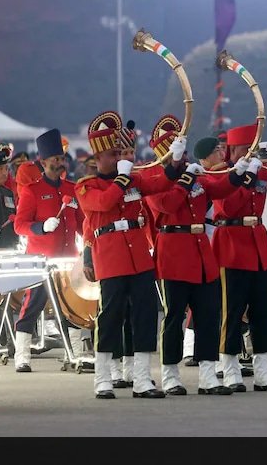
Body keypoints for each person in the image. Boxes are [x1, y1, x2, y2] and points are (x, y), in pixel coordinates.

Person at [75, 111, 182, 400]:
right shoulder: (86, 185)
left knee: (146, 315)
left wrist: (175, 161)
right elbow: (105, 201)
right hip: (110, 258)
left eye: (122, 153)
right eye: (114, 154)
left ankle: (142, 378)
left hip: (139, 257)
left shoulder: (134, 180)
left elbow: (160, 183)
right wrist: (122, 177)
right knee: (110, 317)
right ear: (99, 158)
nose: (121, 157)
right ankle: (103, 378)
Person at [209, 123, 267, 393]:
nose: (251, 152)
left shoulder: (260, 170)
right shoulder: (223, 173)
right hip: (231, 243)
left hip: (258, 245)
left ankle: (264, 370)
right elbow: (227, 206)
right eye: (245, 148)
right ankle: (229, 369)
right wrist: (246, 178)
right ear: (232, 150)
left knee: (264, 312)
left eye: (253, 147)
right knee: (232, 312)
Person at [142, 118, 234, 396]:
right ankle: (170, 374)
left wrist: (238, 174)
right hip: (173, 251)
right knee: (174, 317)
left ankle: (208, 375)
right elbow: (167, 204)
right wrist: (185, 180)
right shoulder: (154, 177)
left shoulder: (192, 174)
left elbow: (218, 190)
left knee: (208, 314)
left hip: (199, 250)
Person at [11, 128, 87, 372]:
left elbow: (82, 222)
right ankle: (22, 356)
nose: (58, 162)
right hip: (41, 260)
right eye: (54, 159)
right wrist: (41, 227)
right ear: (43, 163)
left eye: (60, 158)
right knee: (32, 306)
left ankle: (73, 353)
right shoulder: (31, 191)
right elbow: (19, 225)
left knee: (72, 307)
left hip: (67, 260)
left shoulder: (72, 188)